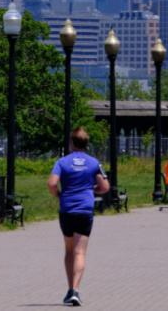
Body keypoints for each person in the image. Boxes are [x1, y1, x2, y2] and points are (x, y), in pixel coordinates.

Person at [48, 126, 110, 307]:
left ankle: (69, 289)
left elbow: (51, 183)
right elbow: (105, 187)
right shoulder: (93, 162)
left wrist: (58, 194)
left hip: (67, 209)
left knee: (69, 250)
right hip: (85, 209)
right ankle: (75, 290)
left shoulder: (62, 162)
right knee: (80, 251)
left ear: (71, 142)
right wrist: (93, 191)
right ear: (86, 143)